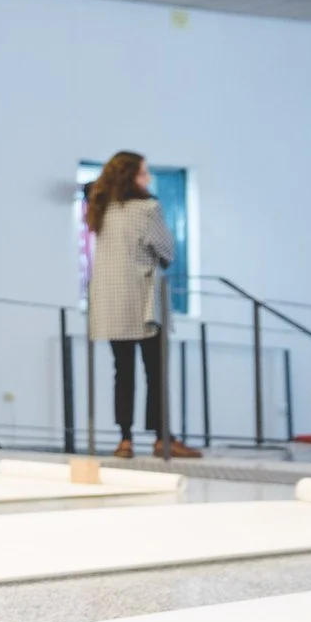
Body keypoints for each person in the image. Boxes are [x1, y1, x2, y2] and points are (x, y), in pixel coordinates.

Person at [84, 152, 201, 461]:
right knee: (156, 373)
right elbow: (166, 251)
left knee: (122, 372)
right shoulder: (148, 208)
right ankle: (163, 438)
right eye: (143, 174)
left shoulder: (100, 209)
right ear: (130, 177)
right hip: (143, 301)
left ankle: (125, 440)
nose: (148, 179)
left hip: (110, 303)